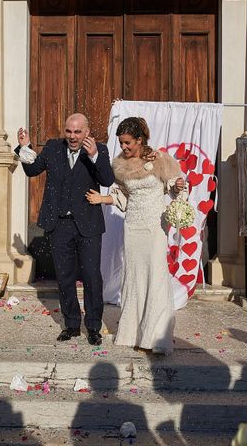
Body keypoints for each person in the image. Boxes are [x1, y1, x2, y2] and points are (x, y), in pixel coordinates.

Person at [86, 117, 185, 354]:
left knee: (156, 277)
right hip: (132, 228)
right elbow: (122, 197)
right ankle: (133, 334)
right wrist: (102, 199)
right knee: (134, 278)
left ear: (140, 140)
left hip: (154, 228)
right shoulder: (120, 165)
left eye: (128, 143)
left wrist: (179, 185)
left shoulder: (159, 160)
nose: (124, 147)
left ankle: (156, 338)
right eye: (121, 143)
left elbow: (174, 185)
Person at [15, 113, 115, 346]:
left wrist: (93, 156)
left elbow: (107, 180)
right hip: (59, 224)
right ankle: (71, 325)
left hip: (88, 224)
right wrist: (24, 147)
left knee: (92, 276)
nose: (72, 136)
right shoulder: (52, 147)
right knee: (65, 276)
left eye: (77, 132)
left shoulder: (99, 150)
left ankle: (93, 326)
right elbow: (32, 171)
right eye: (69, 131)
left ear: (86, 132)